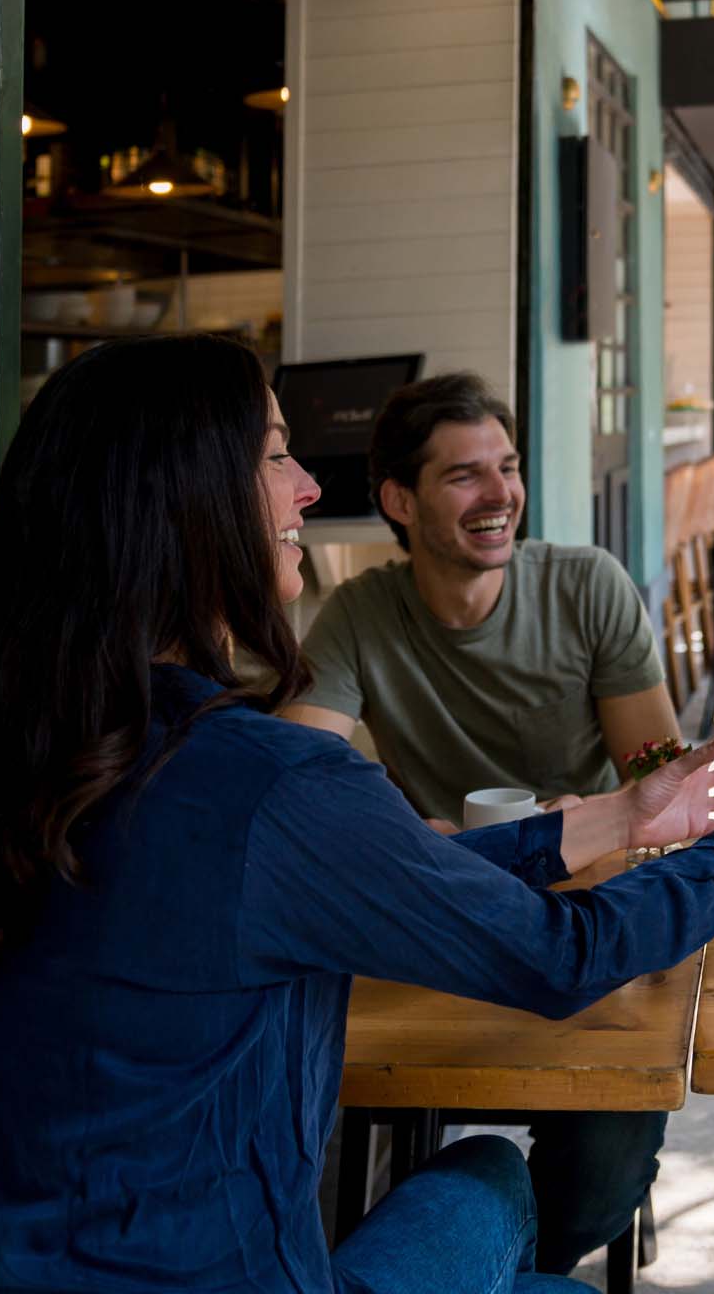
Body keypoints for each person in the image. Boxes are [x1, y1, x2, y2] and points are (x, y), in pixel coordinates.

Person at [0, 335, 714, 1294]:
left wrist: (604, 822)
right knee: (509, 1212)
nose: (306, 488)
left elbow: (364, 867)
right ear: (181, 504)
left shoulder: (22, 752)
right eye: (277, 457)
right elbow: (562, 958)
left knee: (491, 1178)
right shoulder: (267, 778)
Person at [282, 371, 688, 1274]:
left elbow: (664, 781)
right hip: (437, 933)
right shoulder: (357, 615)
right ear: (399, 499)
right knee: (310, 1102)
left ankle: (498, 1260)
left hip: (586, 926)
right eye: (465, 475)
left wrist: (601, 818)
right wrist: (399, 828)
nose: (501, 493)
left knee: (602, 1169)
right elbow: (297, 783)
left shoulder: (586, 587)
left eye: (506, 467)